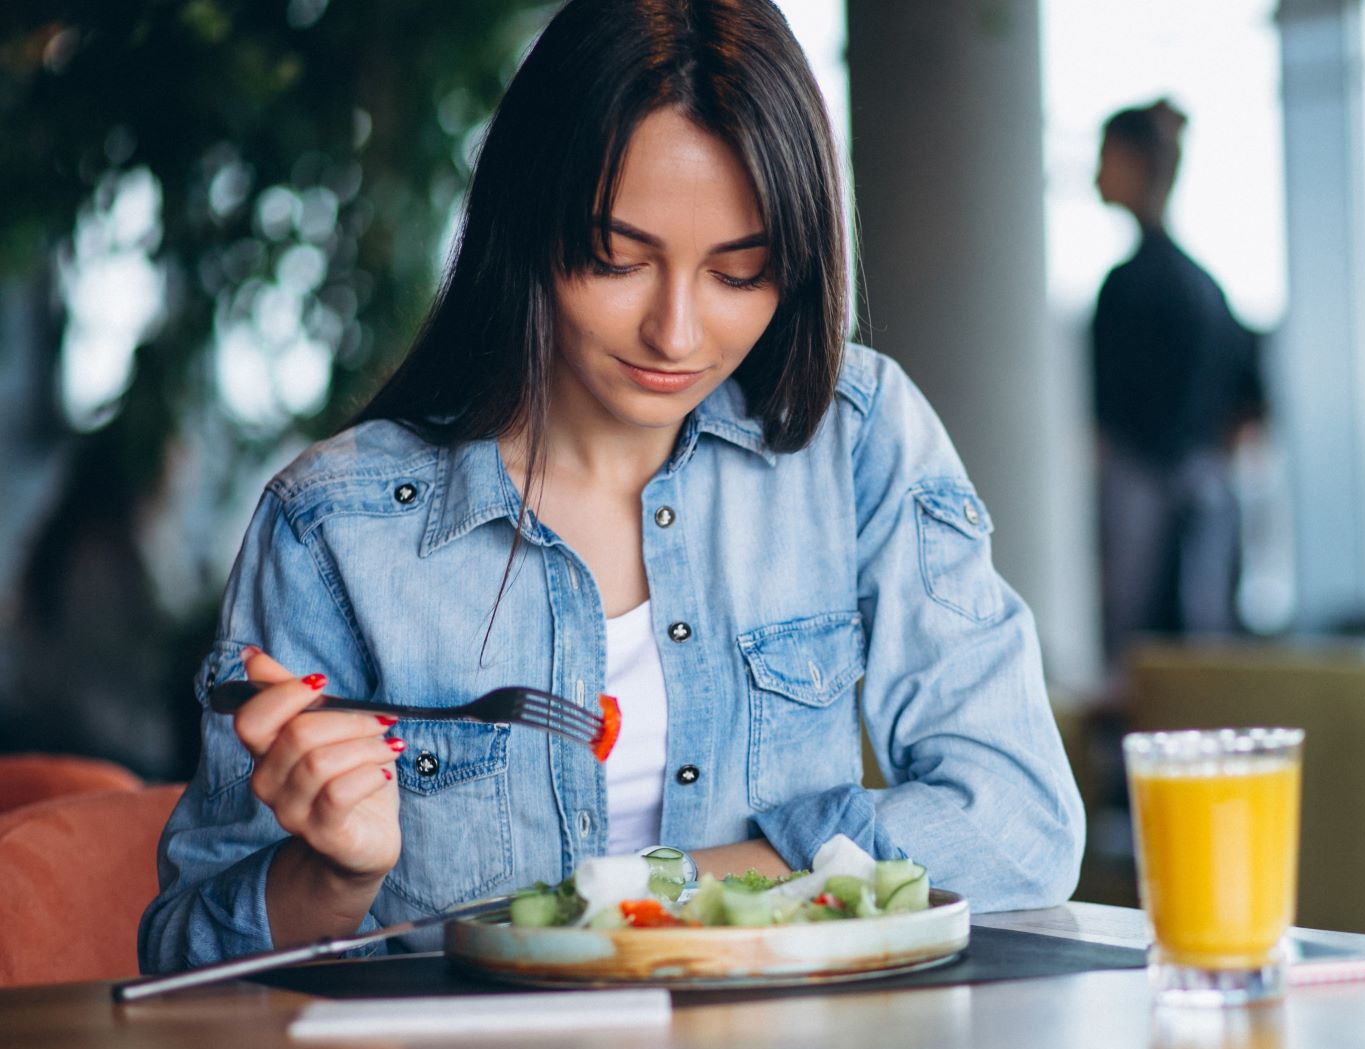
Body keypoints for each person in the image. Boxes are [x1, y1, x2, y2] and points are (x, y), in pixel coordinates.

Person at [138, 0, 1084, 972]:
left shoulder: (852, 440)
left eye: (738, 274)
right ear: (527, 223)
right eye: (617, 261)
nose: (675, 335)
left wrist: (631, 907)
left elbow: (1016, 826)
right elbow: (181, 957)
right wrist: (330, 880)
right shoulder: (337, 531)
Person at [1092, 98, 1265, 668]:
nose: (1098, 174)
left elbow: (1108, 423)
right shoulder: (1206, 288)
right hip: (1203, 494)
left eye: (1107, 158)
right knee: (1201, 650)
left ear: (1137, 165)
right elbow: (1252, 402)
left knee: (1136, 650)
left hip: (1149, 495)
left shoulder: (1126, 288)